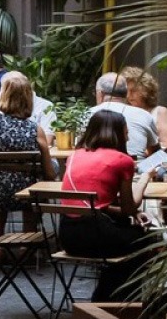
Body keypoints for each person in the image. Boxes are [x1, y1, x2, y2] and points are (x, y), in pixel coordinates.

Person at [57, 109, 153, 301]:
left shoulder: (74, 156)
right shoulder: (122, 161)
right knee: (146, 242)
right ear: (119, 134)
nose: (127, 137)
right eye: (126, 132)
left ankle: (106, 296)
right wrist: (145, 178)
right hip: (97, 236)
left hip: (68, 236)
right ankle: (115, 298)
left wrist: (128, 214)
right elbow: (129, 208)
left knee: (128, 238)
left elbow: (93, 205)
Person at [0, 72, 55, 239]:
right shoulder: (34, 129)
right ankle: (27, 240)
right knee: (35, 188)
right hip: (27, 194)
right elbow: (50, 173)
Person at [88, 72, 160, 165]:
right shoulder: (144, 115)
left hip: (97, 170)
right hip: (135, 172)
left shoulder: (88, 114)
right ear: (126, 94)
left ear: (100, 94)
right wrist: (144, 170)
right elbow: (156, 153)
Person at [121, 66, 167, 160]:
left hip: (153, 162)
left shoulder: (159, 111)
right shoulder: (123, 111)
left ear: (146, 89)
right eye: (127, 91)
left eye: (133, 90)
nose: (129, 95)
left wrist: (139, 151)